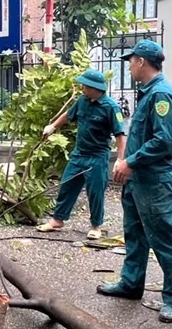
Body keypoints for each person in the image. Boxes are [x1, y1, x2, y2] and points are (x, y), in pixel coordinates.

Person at [97, 40, 172, 323]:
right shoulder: (147, 93)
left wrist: (130, 162)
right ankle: (131, 283)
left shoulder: (161, 95)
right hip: (137, 180)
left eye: (131, 60)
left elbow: (166, 141)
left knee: (164, 239)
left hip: (154, 181)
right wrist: (127, 164)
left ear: (142, 62)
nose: (130, 65)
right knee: (134, 234)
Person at [37, 69, 126, 239]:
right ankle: (58, 220)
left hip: (98, 156)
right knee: (67, 185)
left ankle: (96, 226)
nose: (82, 88)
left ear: (95, 87)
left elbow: (120, 136)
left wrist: (120, 159)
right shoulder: (82, 101)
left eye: (85, 85)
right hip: (79, 154)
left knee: (95, 192)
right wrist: (53, 126)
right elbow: (68, 115)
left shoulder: (111, 108)